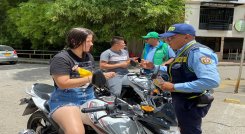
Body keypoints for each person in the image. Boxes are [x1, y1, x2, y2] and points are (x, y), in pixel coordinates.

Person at [141, 23, 220, 134]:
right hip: (182, 99)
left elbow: (211, 81)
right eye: (167, 38)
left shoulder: (197, 52)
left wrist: (174, 86)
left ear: (186, 37)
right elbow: (177, 69)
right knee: (182, 128)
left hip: (191, 102)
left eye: (171, 37)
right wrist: (154, 66)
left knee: (190, 130)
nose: (167, 40)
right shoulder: (182, 51)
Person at [48, 27, 115, 134]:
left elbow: (90, 77)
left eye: (91, 41)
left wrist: (101, 78)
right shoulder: (61, 58)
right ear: (74, 41)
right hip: (66, 101)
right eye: (88, 41)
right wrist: (91, 78)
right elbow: (63, 83)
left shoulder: (88, 56)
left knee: (112, 127)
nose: (92, 44)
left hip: (89, 98)